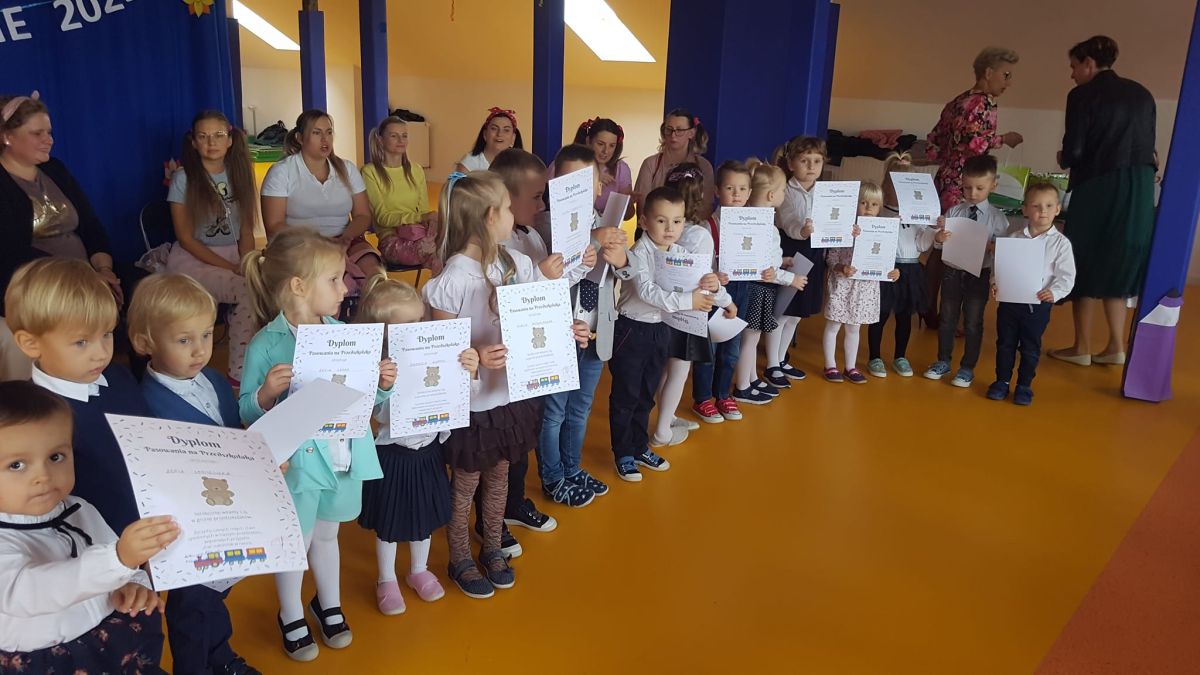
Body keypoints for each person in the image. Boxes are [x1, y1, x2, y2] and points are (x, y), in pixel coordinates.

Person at [239, 228, 394, 661]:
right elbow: (247, 413)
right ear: (299, 286)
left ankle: (328, 603)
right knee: (296, 539)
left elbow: (363, 403)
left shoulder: (343, 334)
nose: (345, 287)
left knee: (328, 534)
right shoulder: (266, 344)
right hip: (300, 464)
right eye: (334, 279)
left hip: (342, 455)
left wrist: (382, 385)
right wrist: (265, 394)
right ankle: (290, 613)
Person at [422, 172, 561, 598]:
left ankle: (494, 542)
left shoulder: (516, 264)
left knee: (500, 475)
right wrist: (476, 355)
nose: (513, 215)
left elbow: (538, 314)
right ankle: (459, 556)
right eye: (506, 208)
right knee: (465, 482)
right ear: (489, 217)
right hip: (471, 402)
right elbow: (438, 350)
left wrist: (562, 322)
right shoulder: (451, 281)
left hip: (508, 395)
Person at [127, 274, 259, 675]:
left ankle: (220, 655)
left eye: (206, 334)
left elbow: (232, 433)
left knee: (215, 597)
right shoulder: (143, 405)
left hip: (223, 515)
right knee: (191, 609)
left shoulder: (215, 381)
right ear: (145, 342)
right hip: (184, 528)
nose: (200, 349)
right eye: (184, 340)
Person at [0, 380, 179, 674]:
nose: (43, 476)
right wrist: (118, 559)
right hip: (47, 661)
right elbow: (30, 591)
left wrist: (135, 583)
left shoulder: (80, 508)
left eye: (56, 457)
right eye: (17, 465)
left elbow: (117, 558)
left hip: (109, 637)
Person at [493, 146, 610, 512]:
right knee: (538, 421)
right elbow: (510, 301)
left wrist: (580, 264)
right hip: (519, 357)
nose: (542, 203)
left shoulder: (530, 235)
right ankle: (550, 479)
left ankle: (565, 473)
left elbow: (552, 289)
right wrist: (545, 276)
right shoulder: (502, 245)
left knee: (558, 413)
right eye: (537, 196)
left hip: (553, 338)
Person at [354, 276, 476, 615]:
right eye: (407, 325)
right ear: (384, 332)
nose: (418, 329)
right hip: (392, 454)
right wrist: (383, 385)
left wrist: (467, 368)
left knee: (423, 516)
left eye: (420, 320)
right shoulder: (375, 366)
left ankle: (418, 570)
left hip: (428, 450)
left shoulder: (436, 353)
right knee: (389, 521)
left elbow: (455, 395)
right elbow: (373, 414)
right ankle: (386, 578)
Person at [5, 258, 146, 534]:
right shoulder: (31, 420)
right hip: (106, 544)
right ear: (30, 343)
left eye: (107, 334)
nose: (101, 353)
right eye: (81, 342)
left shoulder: (120, 377)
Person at [0, 93, 124, 380]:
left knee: (141, 288)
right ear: (7, 137)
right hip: (36, 284)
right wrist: (84, 278)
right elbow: (11, 254)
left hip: (87, 273)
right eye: (37, 133)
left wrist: (104, 269)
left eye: (49, 132)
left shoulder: (55, 169)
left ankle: (134, 384)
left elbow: (91, 225)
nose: (49, 140)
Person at [1050, 35, 1156, 368]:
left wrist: (1063, 157)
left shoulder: (1082, 95)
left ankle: (1081, 347)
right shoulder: (1142, 94)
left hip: (1098, 184)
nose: (1071, 74)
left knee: (1082, 257)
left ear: (1089, 63)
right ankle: (1115, 347)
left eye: (1073, 66)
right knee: (1119, 260)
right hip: (1139, 187)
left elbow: (1075, 150)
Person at [609, 186, 715, 482]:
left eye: (677, 221)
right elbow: (647, 292)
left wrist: (715, 286)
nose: (670, 229)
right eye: (661, 221)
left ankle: (639, 446)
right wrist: (690, 300)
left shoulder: (680, 253)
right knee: (626, 396)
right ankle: (623, 454)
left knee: (646, 394)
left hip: (661, 330)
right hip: (632, 330)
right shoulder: (637, 253)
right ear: (644, 221)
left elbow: (699, 283)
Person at [925, 47, 1023, 329]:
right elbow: (974, 142)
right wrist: (1004, 139)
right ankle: (954, 315)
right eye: (1006, 75)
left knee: (940, 245)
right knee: (961, 248)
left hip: (946, 178)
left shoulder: (956, 101)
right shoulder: (983, 102)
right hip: (967, 183)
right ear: (988, 73)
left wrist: (949, 159)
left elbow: (933, 142)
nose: (1008, 82)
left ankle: (929, 307)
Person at [165, 110, 258, 383]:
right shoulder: (184, 178)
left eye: (218, 135)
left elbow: (246, 230)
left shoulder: (240, 174)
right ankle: (238, 373)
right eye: (203, 136)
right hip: (196, 258)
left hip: (234, 254)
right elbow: (186, 238)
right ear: (194, 142)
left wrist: (247, 262)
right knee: (246, 291)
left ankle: (252, 356)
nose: (211, 142)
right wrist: (230, 267)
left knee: (264, 286)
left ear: (230, 139)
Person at [652, 163, 735, 447]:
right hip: (689, 314)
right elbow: (706, 281)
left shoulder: (657, 232)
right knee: (678, 372)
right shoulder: (699, 235)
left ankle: (667, 417)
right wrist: (727, 301)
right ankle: (662, 431)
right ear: (701, 196)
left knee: (665, 370)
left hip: (662, 312)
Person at [261, 110, 380, 299]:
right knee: (330, 282)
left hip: (344, 240)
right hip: (300, 243)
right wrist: (316, 243)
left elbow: (363, 215)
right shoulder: (282, 172)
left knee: (374, 275)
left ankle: (368, 316)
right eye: (317, 133)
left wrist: (346, 238)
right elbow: (274, 225)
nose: (325, 139)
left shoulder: (347, 169)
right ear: (300, 138)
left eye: (329, 132)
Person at [923, 155, 1011, 388]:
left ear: (993, 185)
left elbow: (1003, 254)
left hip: (979, 275)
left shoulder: (998, 219)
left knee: (973, 322)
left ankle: (967, 368)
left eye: (979, 188)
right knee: (947, 319)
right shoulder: (954, 212)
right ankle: (943, 361)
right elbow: (939, 246)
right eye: (967, 187)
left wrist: (994, 251)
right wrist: (939, 237)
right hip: (952, 272)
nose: (972, 193)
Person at [987, 183, 1076, 406]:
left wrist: (1054, 292)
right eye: (1036, 206)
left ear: (1057, 209)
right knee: (1005, 344)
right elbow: (1000, 267)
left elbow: (1066, 276)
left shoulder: (1061, 244)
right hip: (1010, 302)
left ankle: (1024, 385)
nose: (1042, 211)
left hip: (1037, 306)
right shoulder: (1014, 238)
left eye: (1049, 206)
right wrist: (996, 283)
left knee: (1030, 347)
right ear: (1025, 209)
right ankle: (1001, 381)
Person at [730, 161, 809, 406]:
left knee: (751, 339)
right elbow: (767, 271)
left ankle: (752, 378)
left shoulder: (751, 220)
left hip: (749, 287)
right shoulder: (766, 228)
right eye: (783, 190)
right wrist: (792, 279)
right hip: (757, 290)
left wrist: (782, 261)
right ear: (772, 195)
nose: (784, 194)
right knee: (750, 339)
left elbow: (762, 261)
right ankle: (742, 387)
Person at [690, 161, 753, 423]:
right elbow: (701, 269)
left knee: (732, 349)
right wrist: (715, 275)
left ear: (750, 192)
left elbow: (764, 257)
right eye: (729, 188)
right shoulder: (708, 227)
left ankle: (723, 394)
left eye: (742, 189)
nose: (736, 194)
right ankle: (703, 398)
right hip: (714, 295)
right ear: (717, 190)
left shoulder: (756, 226)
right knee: (709, 349)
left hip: (743, 290)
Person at [822, 183, 899, 384]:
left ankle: (850, 367)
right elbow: (831, 257)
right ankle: (830, 365)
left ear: (880, 207)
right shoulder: (845, 227)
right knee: (834, 325)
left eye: (874, 204)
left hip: (865, 288)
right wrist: (842, 268)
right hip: (842, 284)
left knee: (854, 328)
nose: (868, 208)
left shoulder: (883, 231)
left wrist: (893, 271)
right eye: (863, 203)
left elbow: (886, 260)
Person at [765, 136, 825, 391]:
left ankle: (781, 358)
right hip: (791, 251)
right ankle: (771, 364)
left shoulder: (826, 192)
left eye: (817, 161)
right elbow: (788, 221)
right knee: (783, 312)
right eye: (804, 160)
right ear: (791, 163)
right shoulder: (786, 190)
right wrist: (802, 231)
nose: (811, 166)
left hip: (814, 254)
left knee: (797, 316)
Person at [868, 154, 936, 378]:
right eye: (896, 186)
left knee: (905, 316)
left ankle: (900, 356)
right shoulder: (880, 211)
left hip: (911, 270)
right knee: (880, 315)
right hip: (886, 269)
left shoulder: (918, 216)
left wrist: (934, 231)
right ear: (887, 186)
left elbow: (921, 244)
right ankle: (874, 357)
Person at [362, 116, 440, 275]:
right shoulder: (370, 172)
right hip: (392, 239)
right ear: (381, 140)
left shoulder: (416, 170)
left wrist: (430, 219)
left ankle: (440, 289)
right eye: (394, 135)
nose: (401, 140)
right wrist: (420, 217)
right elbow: (382, 218)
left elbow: (423, 211)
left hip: (419, 235)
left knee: (453, 252)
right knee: (438, 253)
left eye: (404, 136)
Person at [633, 108, 715, 221]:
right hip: (655, 227)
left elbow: (706, 205)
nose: (673, 135)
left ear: (691, 133)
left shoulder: (703, 166)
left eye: (679, 130)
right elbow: (643, 206)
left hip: (693, 227)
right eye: (669, 129)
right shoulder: (650, 164)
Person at [570, 117, 635, 220]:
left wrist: (628, 204)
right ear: (588, 141)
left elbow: (628, 216)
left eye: (612, 146)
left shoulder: (621, 169)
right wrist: (592, 178)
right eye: (600, 144)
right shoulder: (570, 163)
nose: (606, 151)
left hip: (607, 228)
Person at [454, 108, 522, 173]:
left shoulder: (521, 165)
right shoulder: (468, 164)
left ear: (513, 138)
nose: (499, 134)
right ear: (485, 134)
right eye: (494, 129)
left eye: (506, 130)